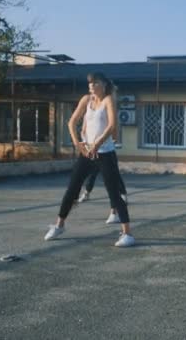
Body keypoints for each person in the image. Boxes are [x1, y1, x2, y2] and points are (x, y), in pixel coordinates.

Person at [44, 72, 135, 247]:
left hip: (105, 153)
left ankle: (127, 234)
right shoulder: (86, 100)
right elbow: (71, 122)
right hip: (86, 153)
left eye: (95, 83)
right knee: (72, 189)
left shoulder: (108, 100)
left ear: (103, 85)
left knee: (114, 193)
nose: (91, 86)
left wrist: (97, 143)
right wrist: (78, 143)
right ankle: (59, 225)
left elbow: (112, 125)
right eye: (90, 83)